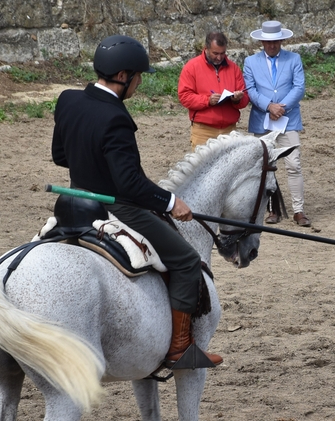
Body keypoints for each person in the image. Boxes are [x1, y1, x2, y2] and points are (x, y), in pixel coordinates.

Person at [51, 35, 220, 369]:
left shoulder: (68, 99)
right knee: (187, 261)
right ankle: (180, 348)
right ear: (123, 75)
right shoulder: (116, 118)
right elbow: (130, 184)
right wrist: (171, 202)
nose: (139, 83)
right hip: (116, 206)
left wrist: (91, 166)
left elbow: (60, 156)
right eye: (138, 76)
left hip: (73, 201)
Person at [243, 21, 311, 227]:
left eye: (275, 42)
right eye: (268, 42)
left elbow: (299, 87)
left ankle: (298, 210)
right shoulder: (250, 62)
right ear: (262, 42)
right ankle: (273, 209)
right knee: (266, 166)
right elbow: (250, 89)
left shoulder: (294, 59)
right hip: (262, 119)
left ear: (281, 40)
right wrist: (268, 106)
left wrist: (281, 107)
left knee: (294, 164)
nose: (272, 45)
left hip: (288, 119)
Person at [178, 31, 249, 150]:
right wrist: (207, 100)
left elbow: (245, 97)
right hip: (203, 131)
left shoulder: (234, 68)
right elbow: (184, 97)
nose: (219, 57)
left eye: (223, 53)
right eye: (215, 53)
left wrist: (237, 99)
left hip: (229, 130)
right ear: (206, 48)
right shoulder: (191, 67)